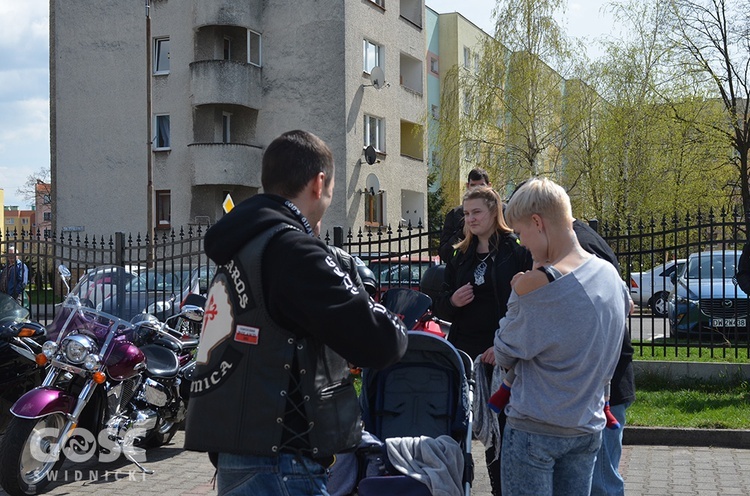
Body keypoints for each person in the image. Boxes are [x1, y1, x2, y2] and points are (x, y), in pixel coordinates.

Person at [184, 130, 408, 496]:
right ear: (319, 183)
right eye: (332, 187)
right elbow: (381, 342)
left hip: (241, 458)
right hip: (282, 465)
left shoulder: (245, 246)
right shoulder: (294, 251)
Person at [494, 178, 631, 495]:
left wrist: (518, 293)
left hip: (535, 428)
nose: (522, 245)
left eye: (521, 234)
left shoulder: (542, 285)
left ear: (537, 223)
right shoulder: (610, 276)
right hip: (586, 426)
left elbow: (504, 351)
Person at [433, 185, 532, 495]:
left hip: (499, 354)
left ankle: (500, 489)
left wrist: (502, 346)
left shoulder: (515, 251)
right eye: (466, 213)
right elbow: (438, 302)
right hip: (464, 353)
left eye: (476, 212)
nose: (470, 219)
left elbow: (526, 306)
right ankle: (461, 483)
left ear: (494, 213)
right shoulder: (459, 255)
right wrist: (453, 302)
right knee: (460, 427)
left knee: (499, 430)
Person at [438, 168, 491, 264]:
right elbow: (444, 253)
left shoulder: (502, 210)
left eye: (481, 185)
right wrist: (463, 232)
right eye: (473, 186)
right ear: (467, 186)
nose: (477, 190)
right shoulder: (455, 214)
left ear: (489, 186)